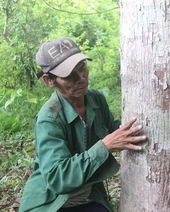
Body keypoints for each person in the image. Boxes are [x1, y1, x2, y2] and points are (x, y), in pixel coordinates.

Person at [18, 37, 146, 212]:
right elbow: (57, 178)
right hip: (53, 204)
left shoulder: (96, 99)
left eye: (82, 68)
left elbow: (113, 129)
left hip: (89, 197)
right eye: (70, 75)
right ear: (49, 80)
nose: (81, 78)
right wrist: (104, 146)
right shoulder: (49, 119)